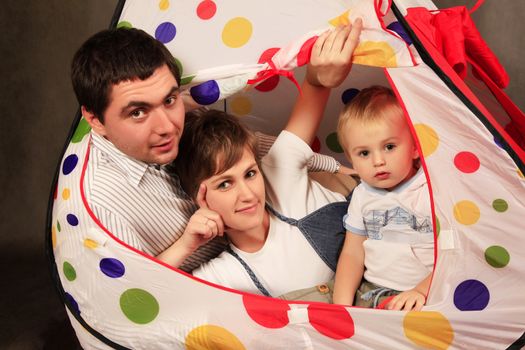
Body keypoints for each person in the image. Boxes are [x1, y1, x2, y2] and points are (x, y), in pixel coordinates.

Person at [71, 27, 356, 272]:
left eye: (169, 99)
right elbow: (137, 295)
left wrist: (332, 165)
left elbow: (242, 146)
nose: (167, 126)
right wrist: (185, 246)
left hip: (287, 227)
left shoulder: (184, 114)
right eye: (138, 113)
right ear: (95, 119)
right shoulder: (99, 206)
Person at [167, 21, 363, 298]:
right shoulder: (227, 273)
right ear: (200, 199)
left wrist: (325, 64)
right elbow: (148, 297)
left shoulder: (278, 169)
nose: (248, 194)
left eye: (249, 174)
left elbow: (316, 84)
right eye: (224, 184)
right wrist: (185, 245)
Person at [332, 86, 434, 311]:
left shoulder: (430, 190)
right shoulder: (362, 194)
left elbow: (454, 253)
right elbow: (352, 253)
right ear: (351, 160)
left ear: (416, 147)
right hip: (372, 291)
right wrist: (341, 307)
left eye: (389, 147)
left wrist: (422, 290)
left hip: (427, 291)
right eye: (364, 153)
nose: (378, 161)